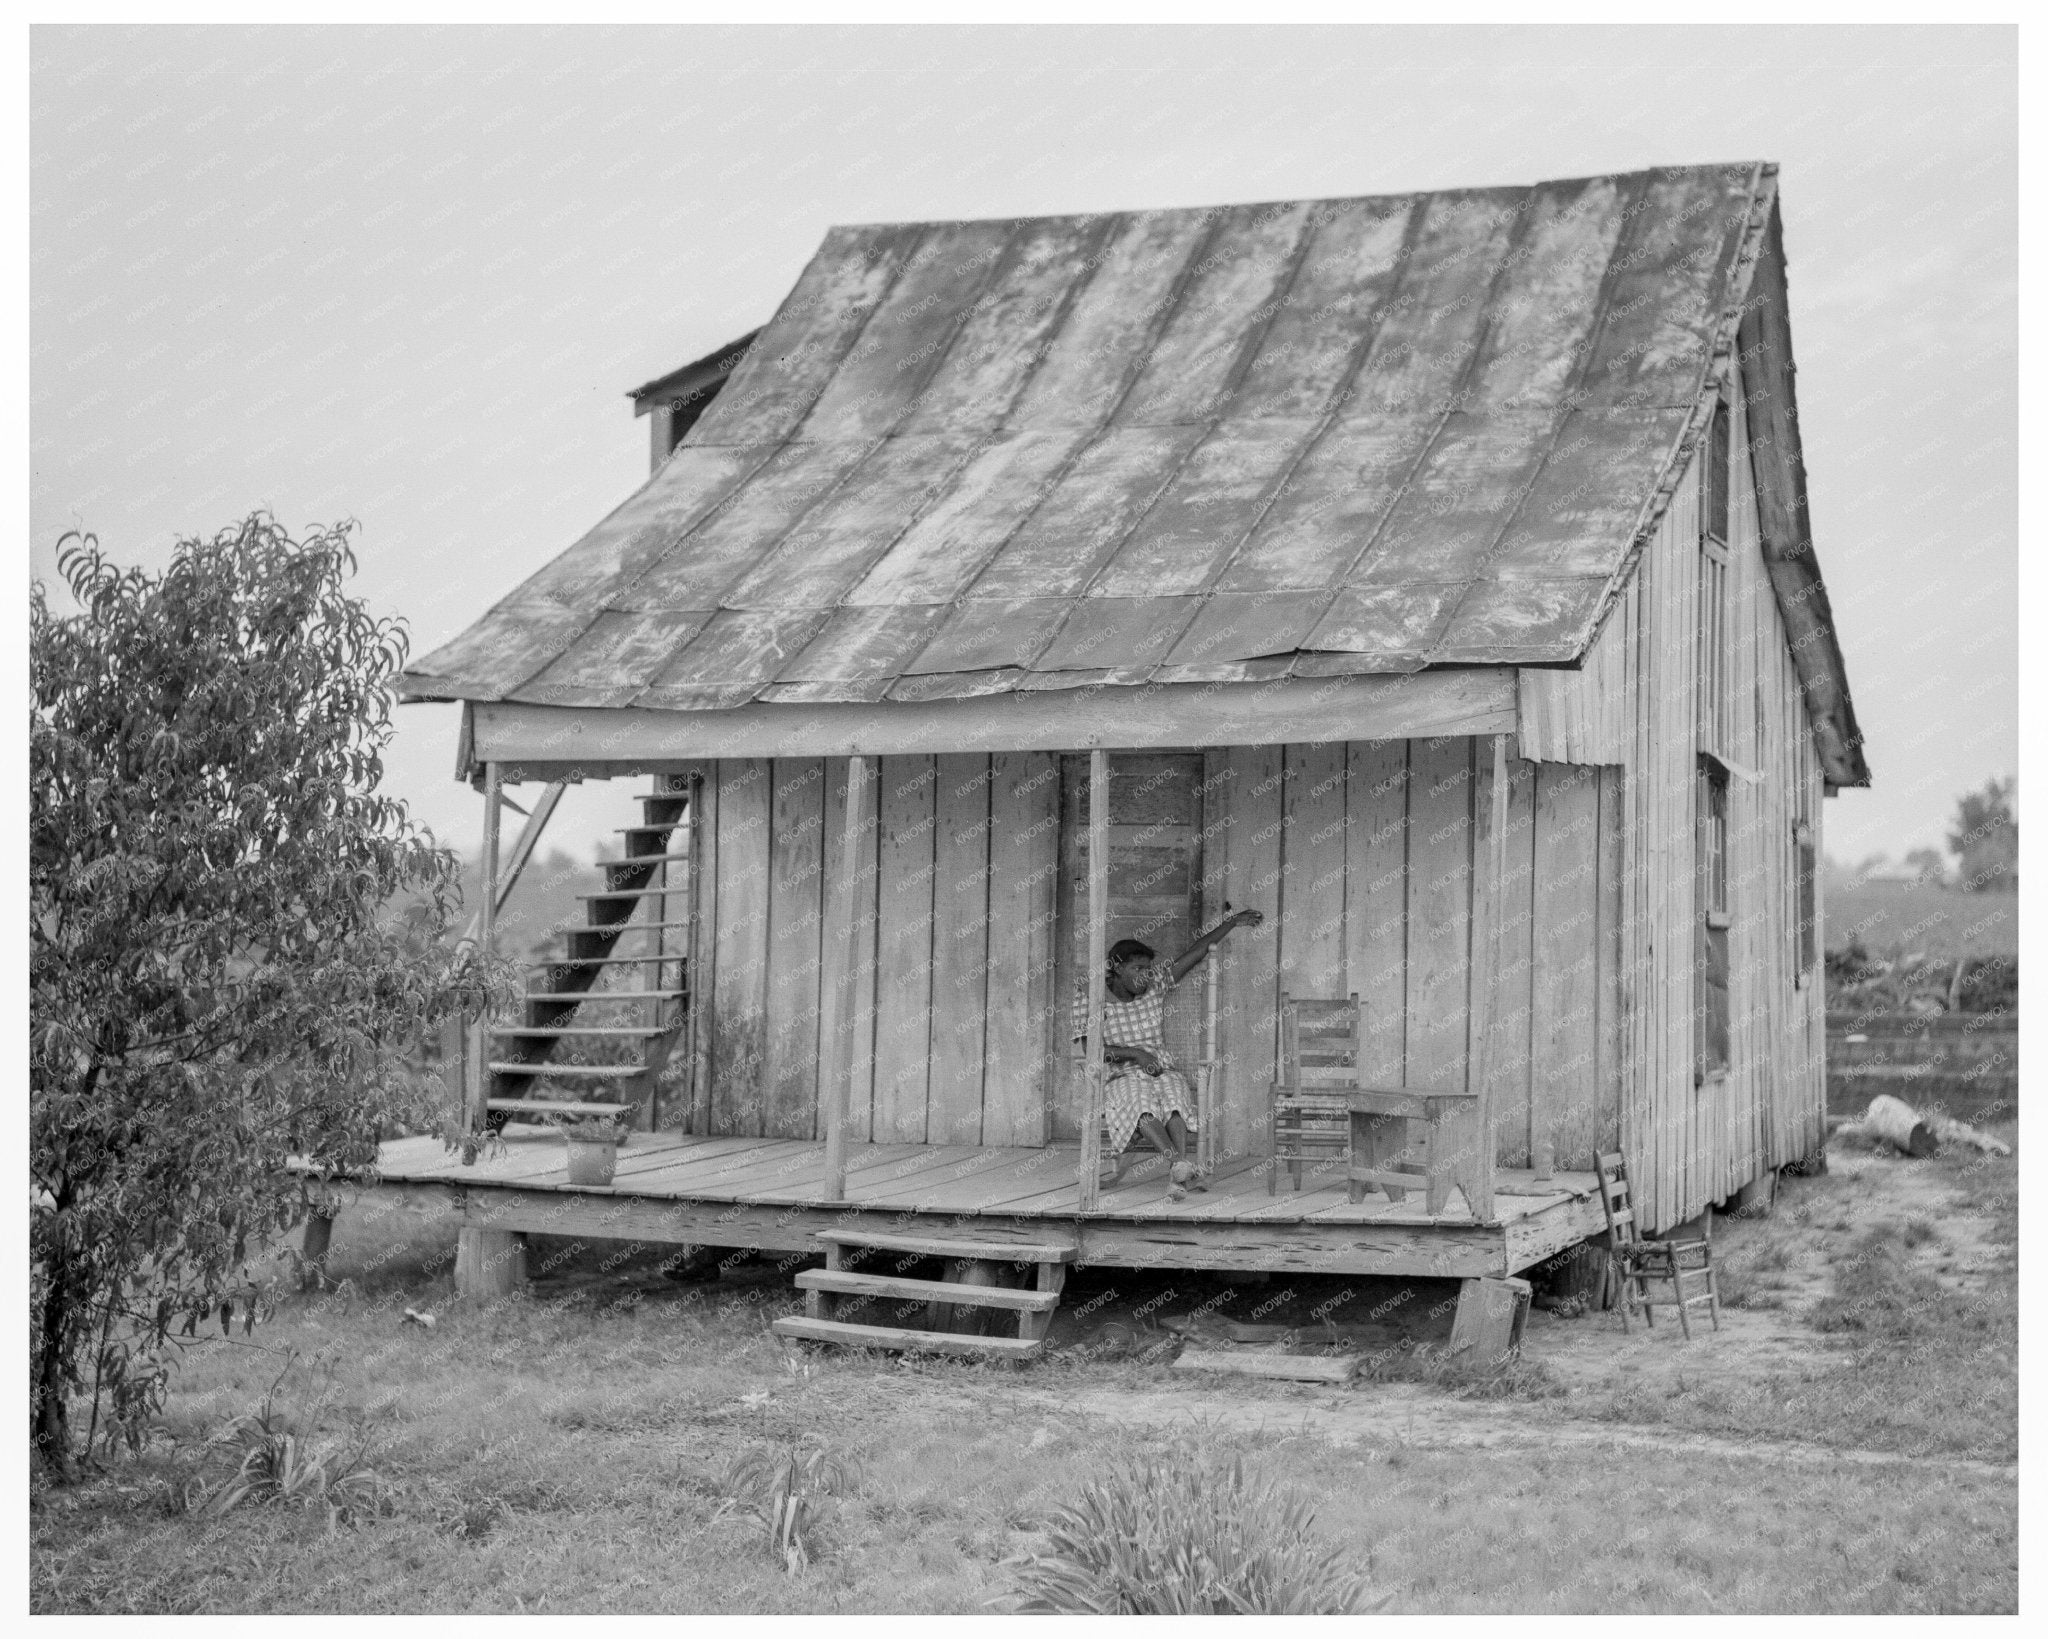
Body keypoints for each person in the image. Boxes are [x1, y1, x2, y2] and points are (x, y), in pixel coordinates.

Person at [1077, 906, 1265, 1200]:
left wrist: (1231, 922)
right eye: (1137, 969)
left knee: (1175, 1100)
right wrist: (1136, 1054)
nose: (1145, 976)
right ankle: (1179, 1167)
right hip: (1122, 1077)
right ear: (1115, 969)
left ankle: (1177, 1172)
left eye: (1148, 969)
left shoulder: (1155, 986)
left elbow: (1198, 951)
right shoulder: (1091, 1000)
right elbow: (1092, 1052)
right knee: (1141, 1103)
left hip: (1162, 1070)